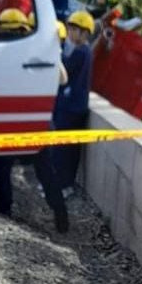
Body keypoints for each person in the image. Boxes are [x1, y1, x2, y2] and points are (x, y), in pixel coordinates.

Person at [0, 9, 70, 233]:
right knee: (43, 171)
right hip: (36, 121)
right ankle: (61, 217)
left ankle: (5, 205)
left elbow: (62, 78)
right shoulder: (35, 51)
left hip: (24, 121)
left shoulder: (20, 52)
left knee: (6, 163)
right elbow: (62, 79)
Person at [52, 10, 95, 193]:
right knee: (65, 148)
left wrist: (58, 52)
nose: (70, 32)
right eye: (69, 28)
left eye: (74, 29)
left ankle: (63, 184)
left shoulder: (81, 53)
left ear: (85, 33)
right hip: (73, 106)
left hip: (71, 107)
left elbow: (65, 71)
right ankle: (62, 183)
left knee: (65, 149)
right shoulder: (83, 51)